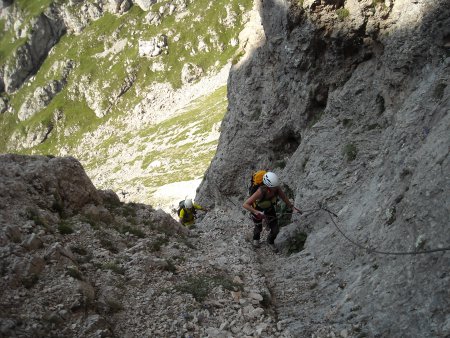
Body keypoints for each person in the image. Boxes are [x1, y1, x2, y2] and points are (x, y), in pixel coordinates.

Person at [243, 172, 301, 251]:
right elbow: (245, 204)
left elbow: (284, 197)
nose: (276, 188)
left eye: (276, 186)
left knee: (275, 229)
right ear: (268, 186)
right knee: (258, 227)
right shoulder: (260, 191)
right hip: (257, 209)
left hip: (269, 208)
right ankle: (256, 238)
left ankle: (270, 241)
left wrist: (292, 208)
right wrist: (256, 212)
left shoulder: (276, 188)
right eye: (273, 187)